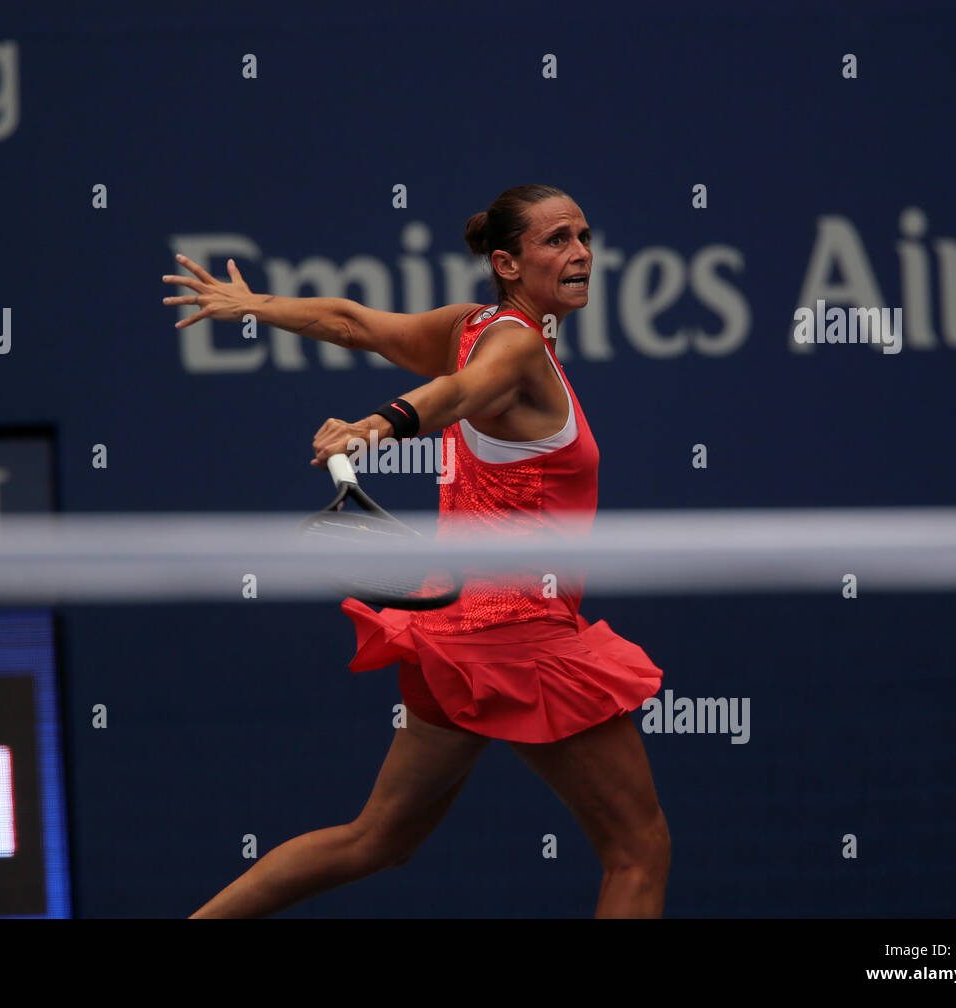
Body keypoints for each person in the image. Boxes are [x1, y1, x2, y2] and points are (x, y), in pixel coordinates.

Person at [162, 184, 669, 917]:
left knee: (376, 839)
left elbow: (353, 322)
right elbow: (458, 395)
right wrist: (377, 425)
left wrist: (256, 306)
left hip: (450, 636)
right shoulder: (514, 344)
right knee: (638, 851)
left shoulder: (473, 325)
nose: (581, 252)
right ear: (507, 262)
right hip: (520, 641)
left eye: (584, 235)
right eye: (556, 240)